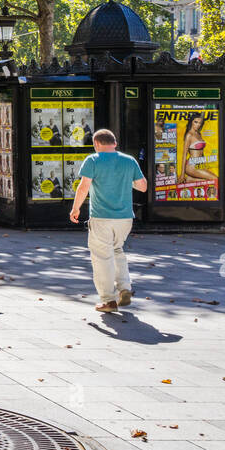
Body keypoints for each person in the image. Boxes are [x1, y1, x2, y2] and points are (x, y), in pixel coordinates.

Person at [70, 128, 147, 313]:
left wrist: (75, 208)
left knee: (102, 257)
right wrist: (125, 180)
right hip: (125, 218)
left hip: (101, 217)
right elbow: (143, 187)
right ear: (115, 143)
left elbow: (83, 187)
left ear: (96, 144)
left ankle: (108, 300)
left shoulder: (93, 160)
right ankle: (124, 288)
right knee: (117, 250)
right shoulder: (129, 161)